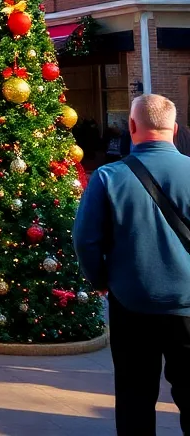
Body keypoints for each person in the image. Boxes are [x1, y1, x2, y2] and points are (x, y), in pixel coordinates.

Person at [74, 94, 190, 434]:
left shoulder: (109, 177)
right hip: (188, 304)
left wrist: (100, 281)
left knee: (135, 397)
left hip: (132, 302)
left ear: (132, 126)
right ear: (175, 128)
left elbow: (86, 240)